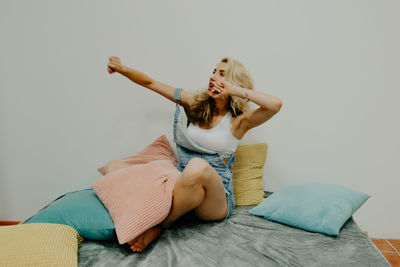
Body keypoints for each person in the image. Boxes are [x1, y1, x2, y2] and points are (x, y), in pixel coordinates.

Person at [100, 56, 283, 252]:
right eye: (214, 71)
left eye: (222, 74)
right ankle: (159, 214)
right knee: (114, 168)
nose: (213, 77)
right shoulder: (193, 102)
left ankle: (161, 225)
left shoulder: (240, 121)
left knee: (197, 167)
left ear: (233, 82)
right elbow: (151, 83)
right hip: (182, 183)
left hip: (215, 199)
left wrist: (234, 90)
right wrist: (122, 69)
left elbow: (276, 105)